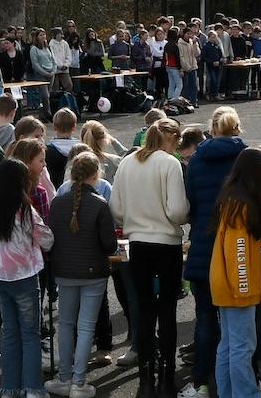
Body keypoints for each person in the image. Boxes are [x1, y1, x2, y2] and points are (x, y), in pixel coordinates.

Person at [111, 118, 190, 397]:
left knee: (144, 311)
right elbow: (177, 211)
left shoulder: (126, 163)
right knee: (166, 312)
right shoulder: (169, 164)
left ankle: (145, 380)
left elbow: (116, 208)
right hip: (166, 242)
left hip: (138, 243)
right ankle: (167, 379)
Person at [183, 107, 247, 397]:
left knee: (205, 318)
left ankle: (201, 379)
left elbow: (192, 203)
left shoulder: (196, 160)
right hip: (237, 249)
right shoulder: (246, 158)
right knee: (240, 324)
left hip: (203, 244)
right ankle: (240, 381)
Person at [45, 152, 116, 398]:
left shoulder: (58, 202)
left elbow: (51, 238)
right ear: (95, 176)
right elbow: (109, 245)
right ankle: (78, 381)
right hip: (93, 271)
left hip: (64, 270)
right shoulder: (100, 204)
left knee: (65, 325)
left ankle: (64, 377)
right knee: (86, 327)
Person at [0, 159, 53, 398]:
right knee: (30, 334)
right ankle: (33, 387)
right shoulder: (25, 211)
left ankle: (9, 387)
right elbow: (47, 239)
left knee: (10, 332)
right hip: (25, 276)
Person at [211, 148, 261, 398]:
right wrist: (245, 289)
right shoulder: (242, 206)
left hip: (225, 283)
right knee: (242, 347)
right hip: (237, 287)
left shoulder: (231, 197)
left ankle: (228, 393)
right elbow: (240, 253)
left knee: (228, 346)